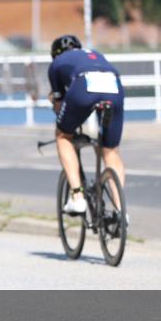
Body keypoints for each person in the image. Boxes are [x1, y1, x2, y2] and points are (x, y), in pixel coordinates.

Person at [47, 35, 125, 215]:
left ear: (55, 54)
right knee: (110, 150)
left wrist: (63, 117)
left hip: (84, 86)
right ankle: (121, 211)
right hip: (114, 85)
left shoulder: (57, 63)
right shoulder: (94, 54)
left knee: (62, 136)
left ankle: (77, 197)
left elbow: (59, 103)